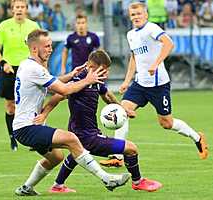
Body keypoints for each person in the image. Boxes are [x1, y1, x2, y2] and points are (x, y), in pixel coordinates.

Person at [13, 29, 130, 196]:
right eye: (46, 46)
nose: (50, 49)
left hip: (29, 125)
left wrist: (73, 74)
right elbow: (64, 90)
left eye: (51, 45)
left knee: (57, 157)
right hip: (26, 127)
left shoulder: (28, 65)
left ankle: (26, 188)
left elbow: (54, 81)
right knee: (71, 138)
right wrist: (87, 80)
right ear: (33, 49)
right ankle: (107, 179)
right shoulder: (34, 69)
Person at [30, 49, 162, 193]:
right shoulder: (79, 81)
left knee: (77, 153)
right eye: (104, 70)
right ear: (91, 67)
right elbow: (58, 96)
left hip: (81, 133)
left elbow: (107, 95)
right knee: (131, 149)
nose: (107, 74)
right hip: (88, 136)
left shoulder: (96, 81)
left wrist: (122, 109)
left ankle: (57, 186)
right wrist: (44, 115)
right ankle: (138, 182)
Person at [100, 2, 208, 167]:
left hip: (159, 86)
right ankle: (117, 156)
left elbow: (169, 43)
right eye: (133, 15)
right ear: (130, 17)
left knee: (167, 123)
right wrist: (127, 81)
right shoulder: (131, 35)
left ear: (146, 15)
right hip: (139, 84)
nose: (136, 17)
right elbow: (134, 58)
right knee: (121, 111)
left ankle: (198, 138)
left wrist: (156, 63)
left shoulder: (152, 28)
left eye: (139, 14)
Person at [0, 0, 40, 151]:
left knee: (32, 105)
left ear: (26, 9)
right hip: (10, 69)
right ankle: (13, 138)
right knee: (11, 106)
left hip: (29, 69)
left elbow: (40, 47)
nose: (19, 9)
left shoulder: (34, 26)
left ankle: (33, 140)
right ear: (12, 9)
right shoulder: (4, 26)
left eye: (22, 7)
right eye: (16, 7)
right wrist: (3, 63)